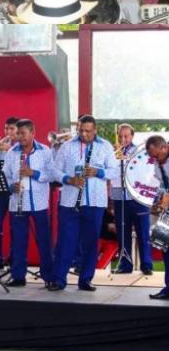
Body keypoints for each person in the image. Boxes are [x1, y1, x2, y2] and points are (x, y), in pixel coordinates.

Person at [48, 115, 118, 291]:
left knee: (90, 242)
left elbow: (114, 171)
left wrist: (98, 172)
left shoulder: (106, 147)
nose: (84, 134)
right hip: (70, 201)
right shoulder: (67, 146)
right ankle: (58, 280)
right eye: (81, 130)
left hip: (94, 202)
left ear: (95, 130)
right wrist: (68, 179)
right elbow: (54, 170)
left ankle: (85, 279)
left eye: (87, 131)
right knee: (65, 241)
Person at [4, 119, 54, 287]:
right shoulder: (11, 153)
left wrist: (34, 173)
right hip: (17, 203)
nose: (19, 137)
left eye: (23, 133)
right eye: (18, 133)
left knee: (44, 241)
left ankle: (49, 276)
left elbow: (52, 174)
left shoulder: (45, 151)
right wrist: (12, 186)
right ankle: (18, 276)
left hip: (39, 203)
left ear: (33, 133)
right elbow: (5, 177)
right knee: (18, 241)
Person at [110, 123, 153, 275]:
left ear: (132, 136)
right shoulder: (113, 152)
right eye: (121, 136)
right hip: (119, 197)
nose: (123, 139)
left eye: (126, 136)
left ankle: (146, 265)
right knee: (122, 231)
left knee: (143, 232)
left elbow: (146, 173)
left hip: (138, 197)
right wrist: (114, 158)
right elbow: (110, 173)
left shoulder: (141, 152)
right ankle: (125, 264)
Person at [0, 117, 18, 269]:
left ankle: (14, 259)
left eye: (11, 129)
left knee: (15, 226)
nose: (8, 132)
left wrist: (8, 150)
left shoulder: (20, 147)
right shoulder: (0, 146)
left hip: (14, 191)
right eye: (6, 128)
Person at [143, 136, 169, 300]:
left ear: (164, 148)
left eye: (156, 156)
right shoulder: (158, 164)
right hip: (166, 212)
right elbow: (161, 186)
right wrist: (157, 201)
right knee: (164, 247)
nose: (154, 159)